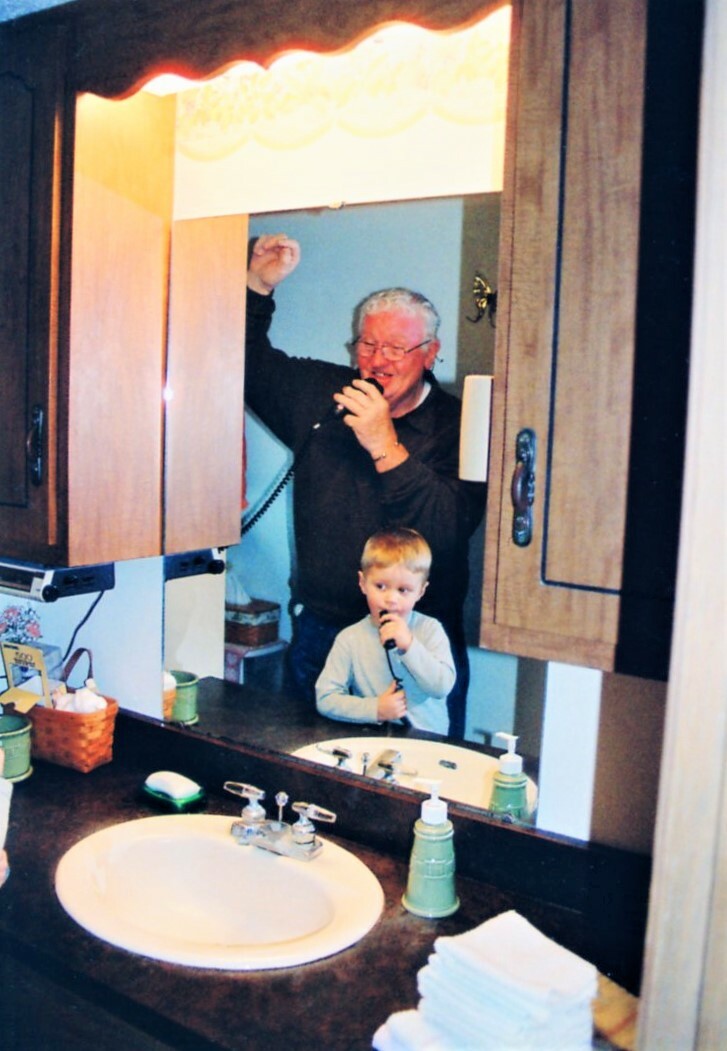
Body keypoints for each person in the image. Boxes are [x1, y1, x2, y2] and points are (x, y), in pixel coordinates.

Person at [245, 233, 486, 738]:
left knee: (420, 774)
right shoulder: (324, 395)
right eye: (368, 345)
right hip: (324, 631)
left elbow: (448, 529)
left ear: (430, 353)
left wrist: (384, 444)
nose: (379, 361)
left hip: (418, 640)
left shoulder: (461, 425)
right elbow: (244, 364)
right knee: (310, 763)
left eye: (396, 348)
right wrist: (257, 288)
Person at [316, 528, 455, 735]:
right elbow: (325, 698)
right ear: (363, 583)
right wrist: (375, 709)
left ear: (421, 591)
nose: (391, 599)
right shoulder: (349, 639)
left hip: (428, 742)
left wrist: (409, 646)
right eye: (380, 586)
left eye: (403, 590)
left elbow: (441, 687)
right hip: (374, 739)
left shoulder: (430, 630)